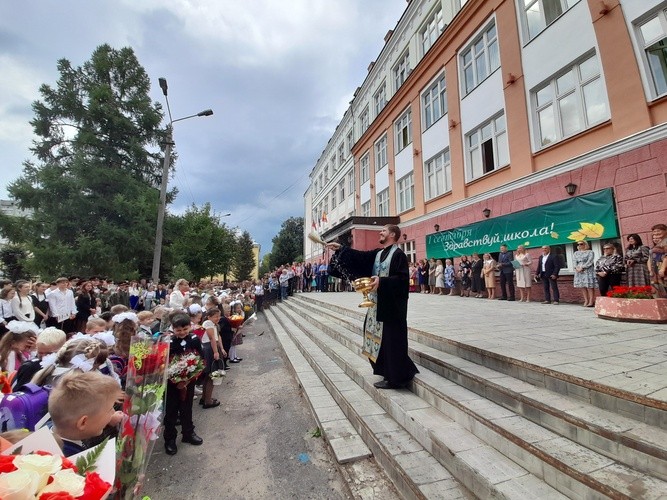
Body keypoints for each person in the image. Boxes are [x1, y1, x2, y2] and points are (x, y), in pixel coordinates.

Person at [327, 224, 418, 389]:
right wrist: (341, 249)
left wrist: (382, 282)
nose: (380, 233)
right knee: (377, 339)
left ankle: (396, 379)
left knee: (391, 342)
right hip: (377, 305)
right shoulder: (378, 254)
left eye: (383, 230)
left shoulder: (398, 255)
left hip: (391, 308)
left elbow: (403, 280)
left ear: (391, 234)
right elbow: (359, 257)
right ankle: (386, 372)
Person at [49, 371, 123, 456]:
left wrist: (108, 421)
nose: (113, 412)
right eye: (110, 409)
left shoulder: (59, 427)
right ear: (83, 422)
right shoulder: (71, 462)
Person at [164, 313, 204, 455]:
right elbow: (164, 363)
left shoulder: (194, 340)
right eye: (178, 330)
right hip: (172, 384)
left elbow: (200, 359)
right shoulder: (168, 342)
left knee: (187, 408)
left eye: (185, 329)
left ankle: (188, 433)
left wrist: (189, 377)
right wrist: (174, 377)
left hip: (188, 381)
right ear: (173, 329)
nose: (182, 332)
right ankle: (170, 439)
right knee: (171, 412)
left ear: (190, 327)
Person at [200, 308, 224, 409]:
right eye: (215, 316)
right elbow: (212, 338)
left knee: (210, 375)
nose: (218, 318)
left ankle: (205, 397)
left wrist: (221, 349)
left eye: (219, 316)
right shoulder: (208, 323)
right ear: (209, 316)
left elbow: (218, 337)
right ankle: (208, 401)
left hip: (213, 347)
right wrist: (216, 351)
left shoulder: (213, 324)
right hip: (210, 348)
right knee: (211, 375)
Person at [573, 241, 596, 307]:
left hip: (587, 270)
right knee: (582, 286)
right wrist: (576, 268)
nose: (579, 245)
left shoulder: (590, 252)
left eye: (581, 244)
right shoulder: (576, 253)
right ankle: (586, 300)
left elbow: (590, 261)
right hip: (578, 271)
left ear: (585, 244)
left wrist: (582, 267)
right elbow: (574, 261)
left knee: (589, 286)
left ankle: (591, 301)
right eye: (578, 244)